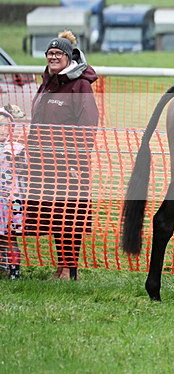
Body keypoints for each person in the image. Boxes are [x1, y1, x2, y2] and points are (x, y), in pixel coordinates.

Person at [24, 31, 99, 280]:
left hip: (69, 164)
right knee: (55, 216)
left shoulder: (80, 86)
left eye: (58, 53)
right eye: (50, 53)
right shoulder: (47, 83)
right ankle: (61, 266)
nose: (53, 57)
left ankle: (70, 268)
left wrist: (76, 162)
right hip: (45, 163)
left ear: (69, 57)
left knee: (70, 217)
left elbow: (88, 127)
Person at [0, 107, 27, 280]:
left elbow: (24, 168)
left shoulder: (16, 148)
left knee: (9, 237)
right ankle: (2, 266)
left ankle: (14, 271)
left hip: (10, 201)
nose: (3, 130)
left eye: (6, 126)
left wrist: (17, 156)